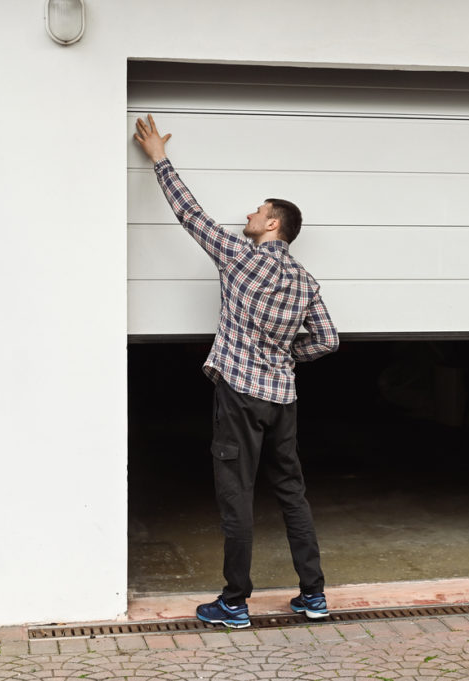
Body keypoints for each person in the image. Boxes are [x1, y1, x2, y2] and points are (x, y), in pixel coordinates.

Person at [133, 115, 339, 629]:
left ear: (273, 224)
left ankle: (234, 602)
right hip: (282, 399)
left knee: (236, 494)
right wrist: (288, 358)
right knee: (292, 493)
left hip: (240, 396)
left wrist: (160, 158)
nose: (248, 214)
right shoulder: (305, 280)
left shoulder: (240, 258)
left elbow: (190, 214)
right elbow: (329, 340)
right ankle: (313, 596)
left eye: (258, 210)